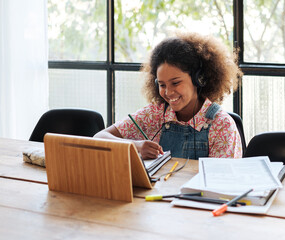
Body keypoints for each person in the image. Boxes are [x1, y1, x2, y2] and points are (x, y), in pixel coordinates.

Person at [94, 32, 243, 160]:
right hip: (158, 193)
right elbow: (99, 138)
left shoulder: (222, 125)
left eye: (176, 83)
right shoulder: (155, 114)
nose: (168, 92)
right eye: (162, 84)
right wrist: (136, 146)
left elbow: (222, 183)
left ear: (199, 79)